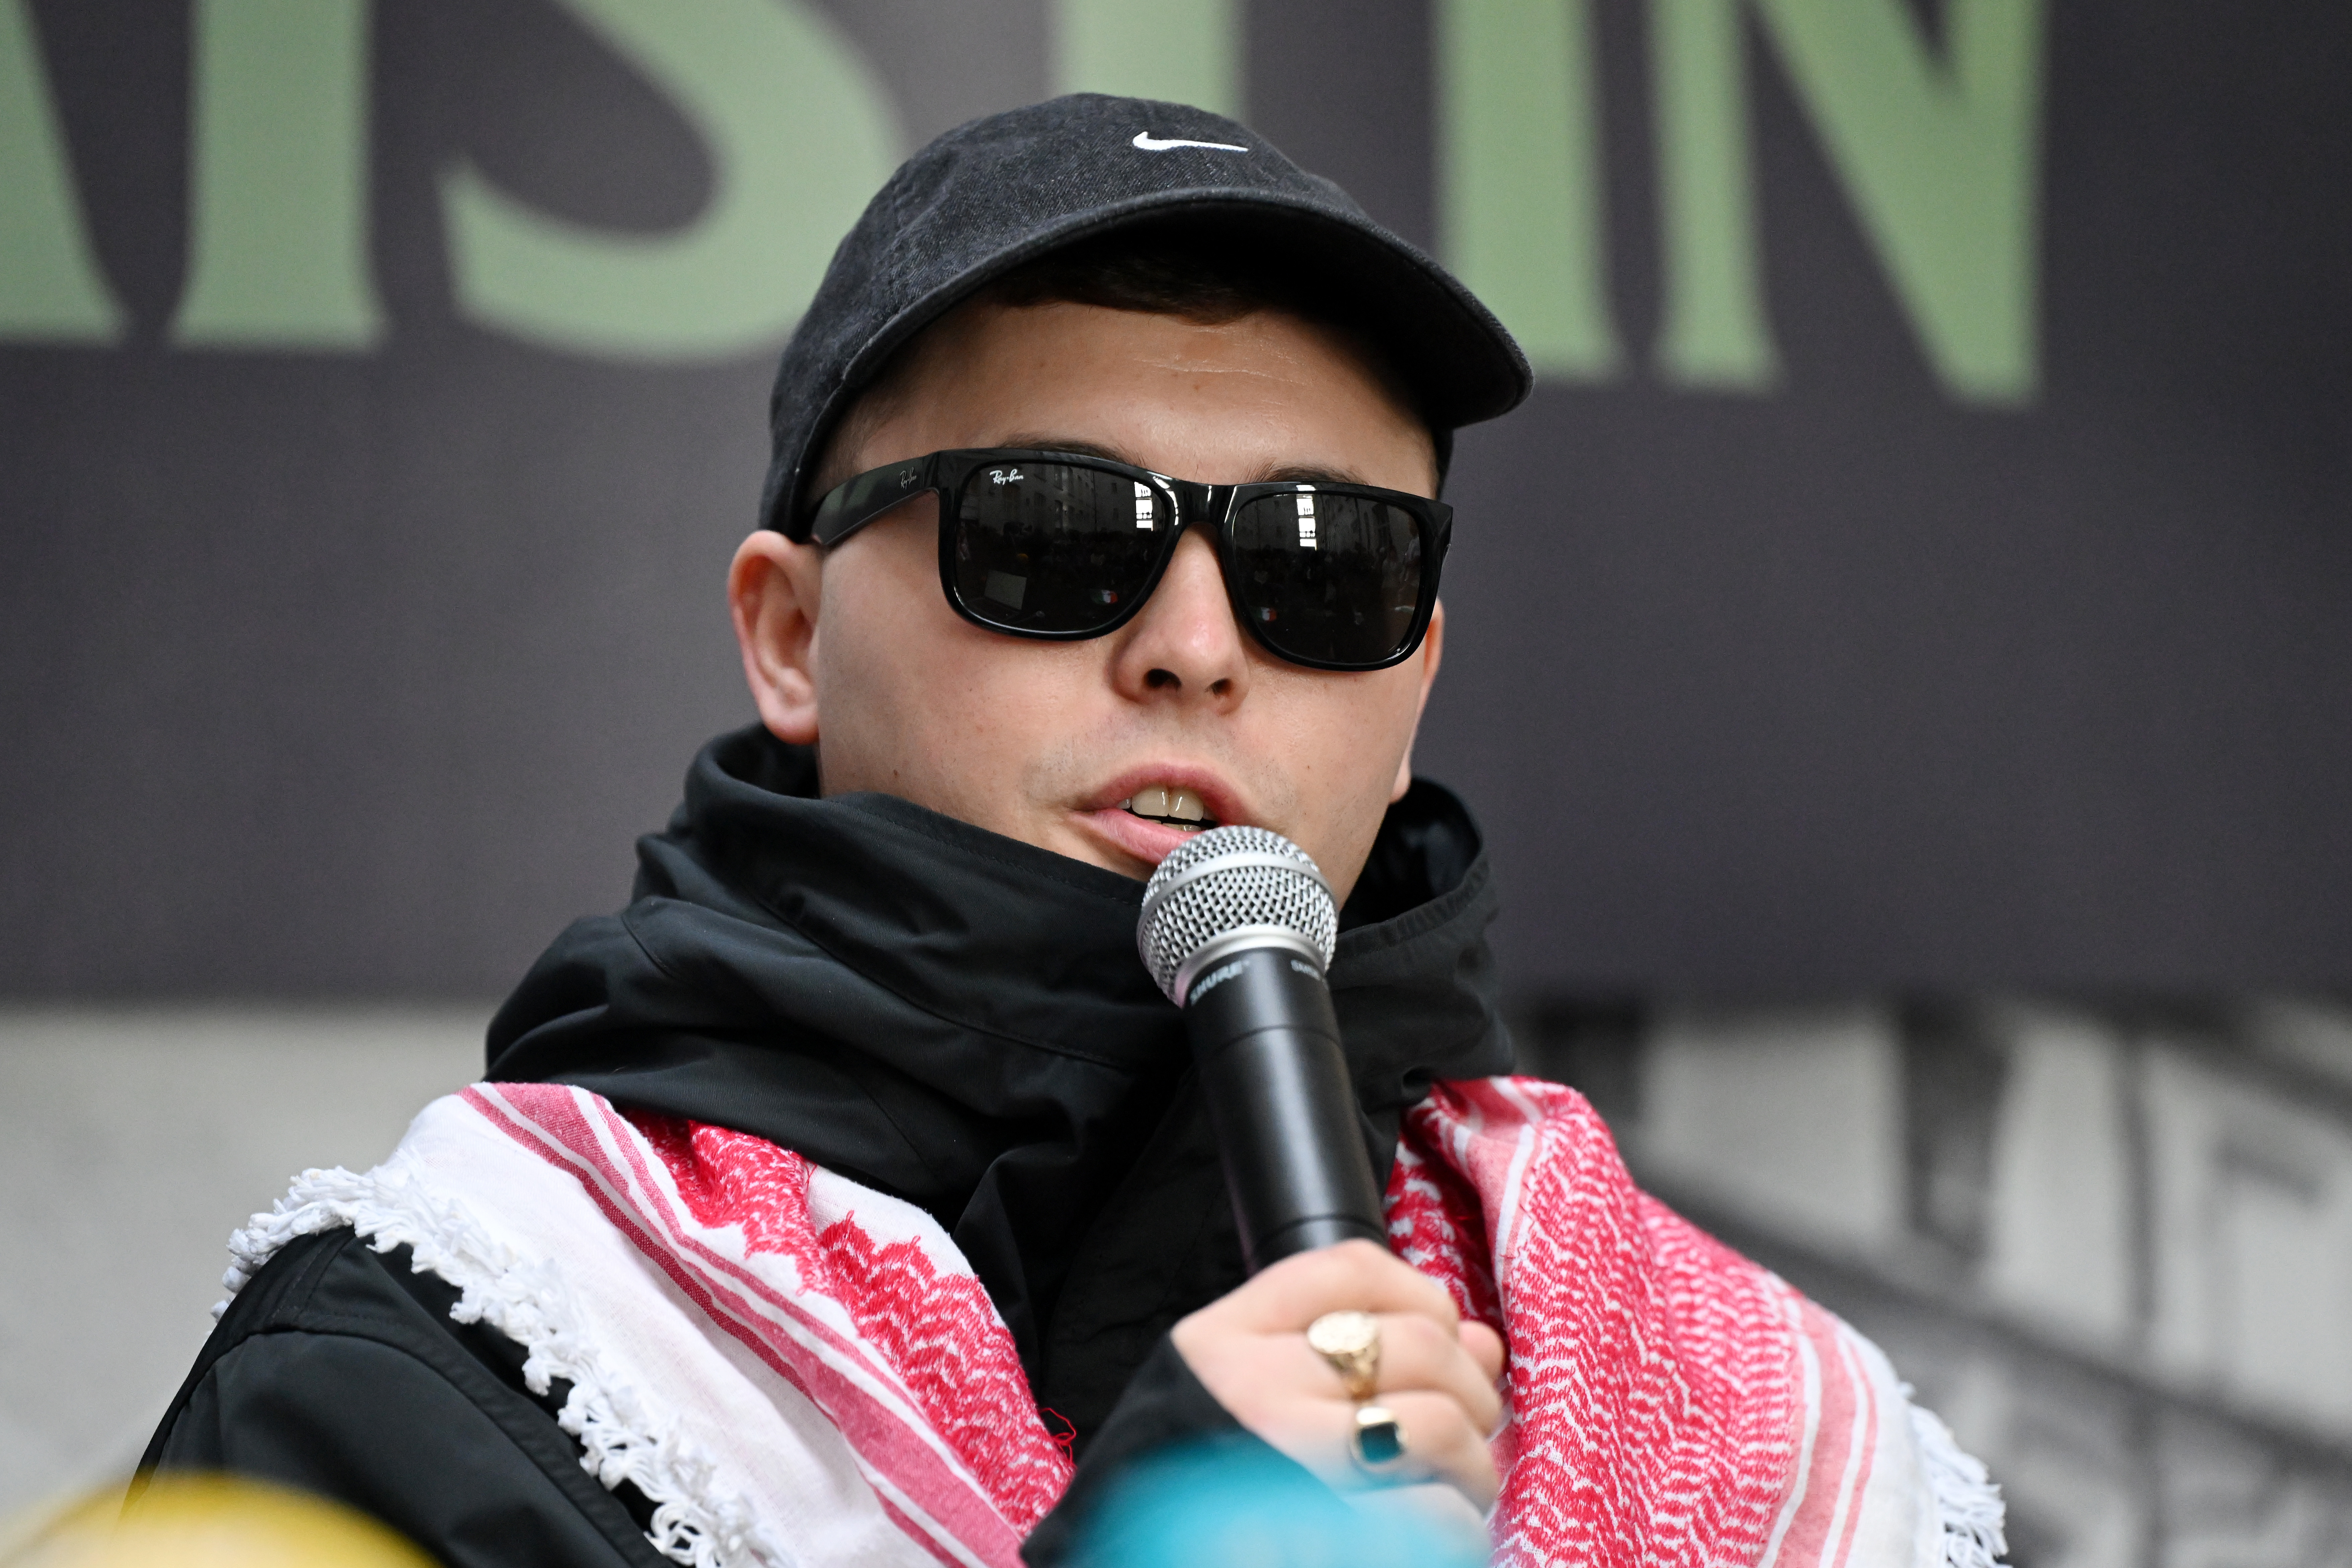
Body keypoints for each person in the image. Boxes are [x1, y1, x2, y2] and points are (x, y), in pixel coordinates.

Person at [141, 96, 2004, 1568]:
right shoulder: (453, 1350)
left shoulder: (1755, 1424)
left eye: (1321, 567)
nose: (1194, 648)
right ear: (789, 634)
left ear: (1419, 668)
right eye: (1050, 533)